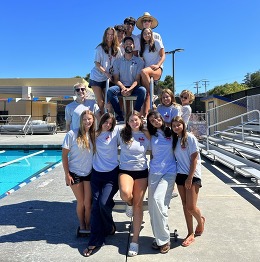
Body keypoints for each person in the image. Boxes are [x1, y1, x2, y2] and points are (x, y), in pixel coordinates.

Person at [83, 113, 120, 257]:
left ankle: (109, 225)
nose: (108, 125)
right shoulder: (94, 134)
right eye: (106, 122)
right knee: (95, 207)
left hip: (111, 175)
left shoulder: (115, 133)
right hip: (96, 175)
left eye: (111, 123)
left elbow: (133, 126)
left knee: (104, 203)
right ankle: (95, 240)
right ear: (101, 121)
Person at [118, 110, 150, 256]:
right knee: (125, 194)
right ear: (127, 122)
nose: (134, 122)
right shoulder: (122, 133)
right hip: (125, 170)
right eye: (131, 120)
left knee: (138, 204)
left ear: (140, 120)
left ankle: (135, 241)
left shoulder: (146, 134)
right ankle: (128, 203)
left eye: (136, 120)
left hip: (142, 172)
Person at [171, 116, 205, 247]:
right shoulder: (175, 139)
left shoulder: (190, 138)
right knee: (185, 205)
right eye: (173, 126)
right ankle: (190, 233)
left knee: (191, 206)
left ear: (183, 125)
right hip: (180, 175)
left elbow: (194, 159)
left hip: (192, 175)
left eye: (178, 125)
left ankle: (200, 221)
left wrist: (190, 178)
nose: (176, 127)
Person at [146, 110, 177, 254]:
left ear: (161, 118)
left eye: (157, 118)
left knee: (158, 201)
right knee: (154, 207)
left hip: (169, 172)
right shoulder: (150, 134)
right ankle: (159, 237)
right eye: (152, 120)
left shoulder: (171, 131)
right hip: (154, 172)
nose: (155, 121)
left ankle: (164, 239)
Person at [62, 110, 96, 237]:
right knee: (81, 202)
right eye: (85, 119)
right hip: (74, 172)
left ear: (93, 120)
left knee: (88, 203)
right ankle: (82, 225)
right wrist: (67, 174)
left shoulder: (94, 135)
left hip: (89, 172)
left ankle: (88, 225)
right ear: (81, 120)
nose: (87, 121)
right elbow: (64, 156)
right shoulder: (72, 134)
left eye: (90, 119)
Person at [107, 36, 146, 123]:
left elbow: (137, 79)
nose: (129, 45)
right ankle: (119, 116)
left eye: (130, 44)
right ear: (123, 46)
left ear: (134, 46)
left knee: (142, 90)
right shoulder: (117, 61)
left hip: (134, 87)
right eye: (127, 44)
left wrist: (130, 89)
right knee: (110, 91)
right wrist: (124, 88)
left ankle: (135, 115)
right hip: (121, 87)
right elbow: (116, 79)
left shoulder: (139, 61)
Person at [89, 27, 123, 115]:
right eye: (108, 34)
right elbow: (97, 63)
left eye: (112, 34)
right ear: (105, 35)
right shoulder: (100, 48)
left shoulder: (117, 49)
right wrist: (106, 72)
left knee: (108, 101)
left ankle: (110, 119)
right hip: (96, 77)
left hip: (108, 79)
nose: (110, 36)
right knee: (100, 101)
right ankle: (104, 119)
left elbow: (120, 63)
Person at [139, 28, 165, 117]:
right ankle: (144, 115)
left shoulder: (157, 42)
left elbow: (163, 55)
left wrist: (158, 65)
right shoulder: (143, 46)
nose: (147, 35)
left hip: (156, 69)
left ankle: (152, 93)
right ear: (142, 36)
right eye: (145, 34)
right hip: (146, 72)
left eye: (148, 33)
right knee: (145, 94)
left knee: (143, 72)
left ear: (151, 34)